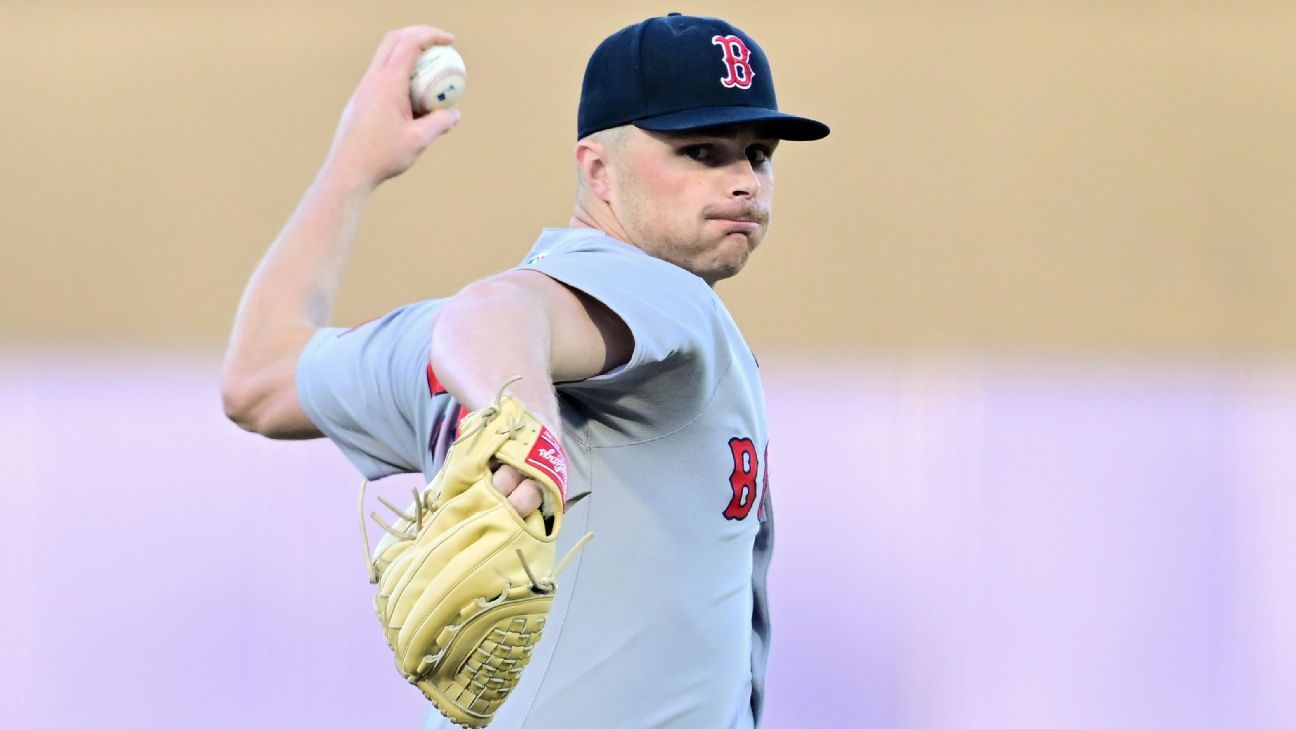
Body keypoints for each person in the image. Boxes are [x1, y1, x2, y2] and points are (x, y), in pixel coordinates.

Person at [220, 13, 828, 729]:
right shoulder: (669, 299)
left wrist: (352, 167)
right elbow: (500, 307)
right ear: (598, 169)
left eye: (756, 153)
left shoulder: (446, 345)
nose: (742, 183)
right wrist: (525, 427)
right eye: (700, 151)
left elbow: (259, 377)